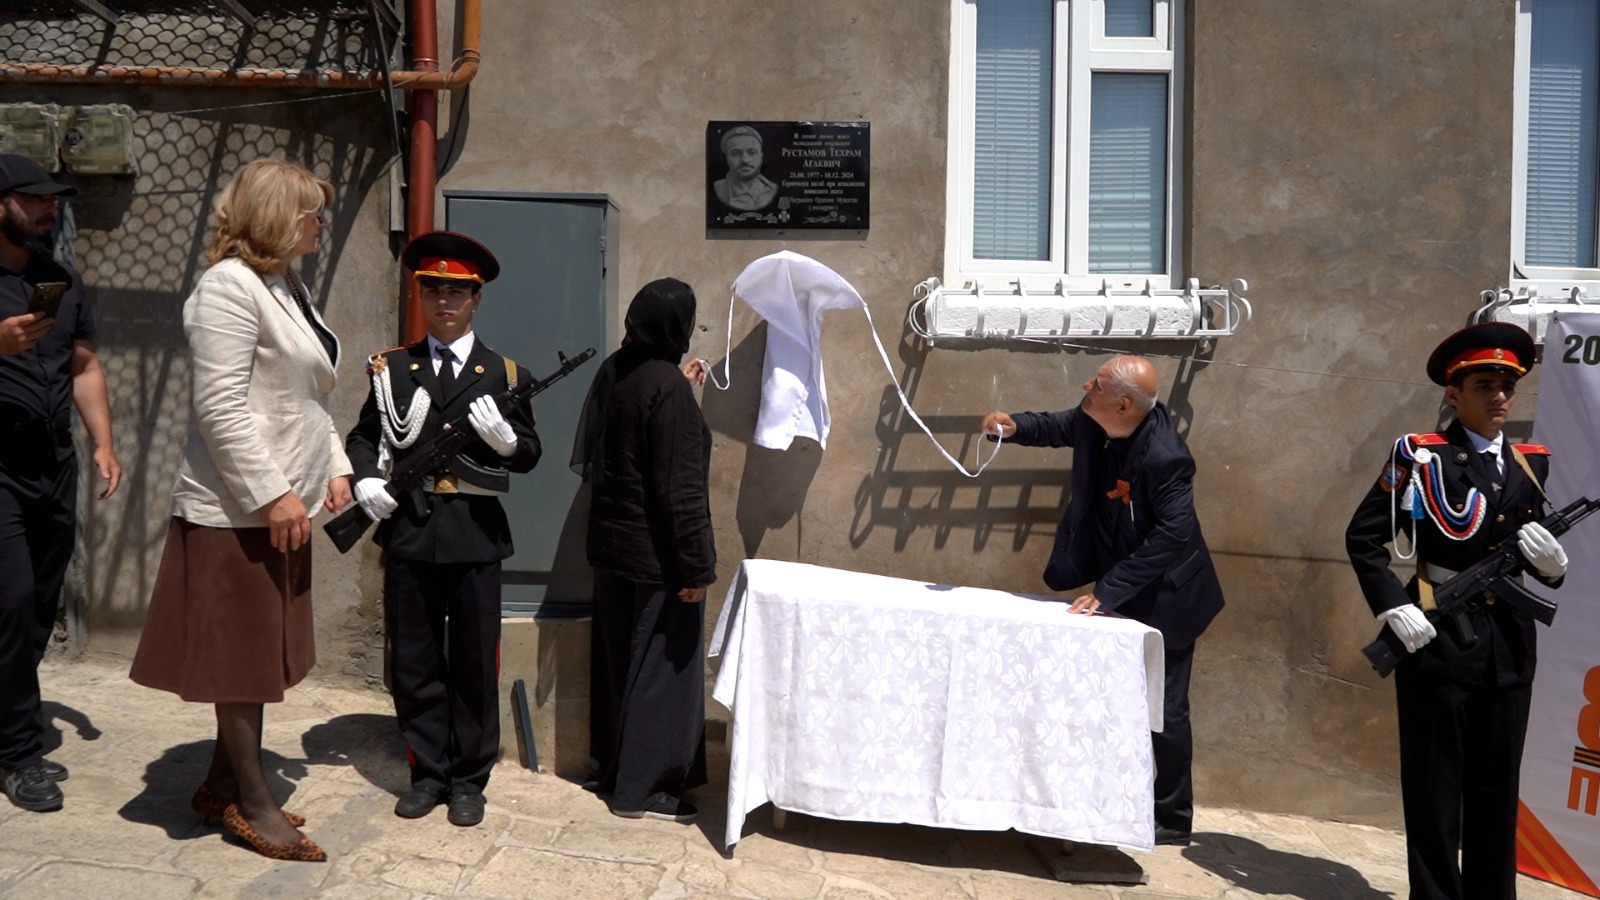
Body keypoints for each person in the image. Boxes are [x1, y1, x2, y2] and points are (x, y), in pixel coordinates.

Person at [129, 158, 350, 861]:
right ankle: (253, 805)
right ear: (280, 218)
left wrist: (335, 464)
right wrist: (273, 493)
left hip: (284, 501)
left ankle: (219, 783)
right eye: (313, 214)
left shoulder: (285, 283)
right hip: (239, 509)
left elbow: (303, 395)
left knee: (256, 653)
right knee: (242, 660)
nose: (321, 225)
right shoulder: (227, 288)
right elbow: (220, 409)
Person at [1345, 322, 1568, 900]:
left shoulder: (1531, 464)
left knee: (1497, 788)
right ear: (1454, 393)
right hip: (1437, 639)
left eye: (1507, 387)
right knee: (1435, 787)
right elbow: (1363, 538)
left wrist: (1553, 569)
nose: (1499, 397)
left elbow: (1532, 552)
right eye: (1484, 385)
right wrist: (1394, 606)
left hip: (1508, 647)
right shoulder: (1422, 458)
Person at [981, 354, 1224, 847]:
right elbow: (1059, 426)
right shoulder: (1097, 418)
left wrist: (1108, 591)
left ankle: (1172, 818)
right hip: (1120, 585)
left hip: (1169, 594)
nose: (1086, 384)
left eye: (1098, 383)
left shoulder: (1167, 458)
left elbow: (1173, 535)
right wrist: (1013, 427)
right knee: (1106, 698)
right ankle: (1108, 796)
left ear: (1124, 405)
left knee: (1164, 709)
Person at [344, 231, 541, 828]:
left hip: (475, 535)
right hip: (411, 531)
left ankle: (468, 779)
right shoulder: (393, 369)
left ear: (477, 298)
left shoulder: (504, 372)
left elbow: (530, 452)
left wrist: (507, 445)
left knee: (476, 663)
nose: (444, 301)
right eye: (433, 290)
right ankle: (427, 772)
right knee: (415, 660)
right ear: (420, 295)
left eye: (457, 292)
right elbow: (364, 436)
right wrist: (363, 479)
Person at [0, 153, 120, 813]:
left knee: (39, 607)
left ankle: (9, 722)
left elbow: (83, 363)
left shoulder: (55, 277)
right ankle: (19, 754)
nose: (50, 208)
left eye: (54, 199)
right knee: (12, 601)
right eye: (35, 198)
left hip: (53, 465)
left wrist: (103, 442)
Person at [572, 277, 716, 824]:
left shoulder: (622, 370)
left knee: (618, 670)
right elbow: (678, 491)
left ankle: (612, 773)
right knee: (661, 677)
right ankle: (644, 790)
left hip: (613, 553)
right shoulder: (666, 387)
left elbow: (633, 440)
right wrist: (697, 568)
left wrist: (679, 389)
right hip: (658, 561)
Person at [712, 125, 778, 212]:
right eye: (735, 153)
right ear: (727, 159)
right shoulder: (717, 189)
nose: (745, 160)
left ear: (761, 158)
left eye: (752, 152)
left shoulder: (773, 189)